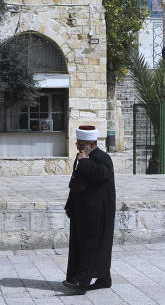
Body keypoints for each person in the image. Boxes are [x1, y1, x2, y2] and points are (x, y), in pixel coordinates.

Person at [63, 125, 115, 295]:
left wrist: (84, 161)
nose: (77, 147)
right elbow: (77, 183)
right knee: (82, 245)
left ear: (90, 144)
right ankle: (103, 278)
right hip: (83, 211)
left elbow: (100, 174)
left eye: (80, 144)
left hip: (97, 212)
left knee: (90, 246)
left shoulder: (103, 157)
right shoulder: (83, 158)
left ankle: (82, 283)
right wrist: (70, 204)